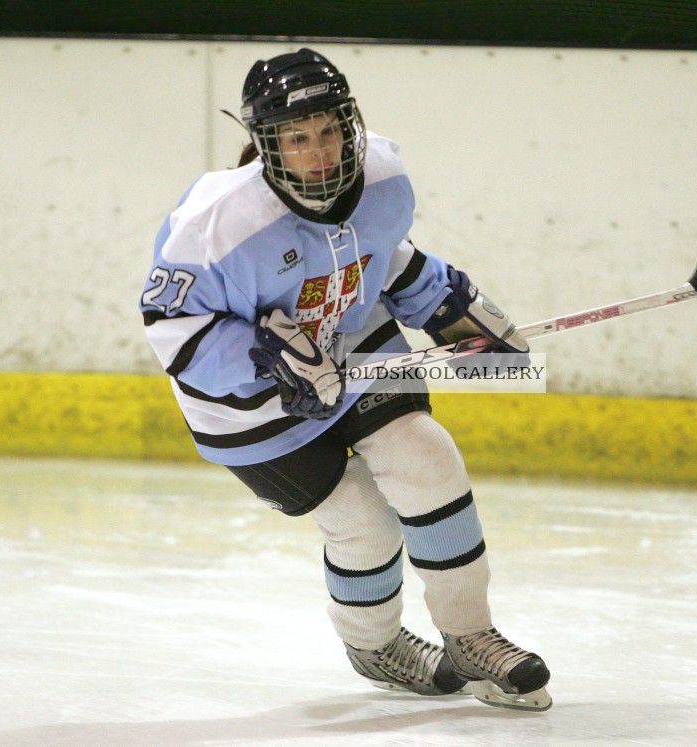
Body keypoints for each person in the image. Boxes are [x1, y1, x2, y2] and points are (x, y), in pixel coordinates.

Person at [139, 48, 551, 711]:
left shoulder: (384, 174)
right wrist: (263, 361)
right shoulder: (216, 223)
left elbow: (382, 256)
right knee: (364, 523)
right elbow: (169, 322)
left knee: (428, 455)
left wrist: (450, 308)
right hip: (247, 407)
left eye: (329, 130)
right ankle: (375, 644)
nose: (320, 152)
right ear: (265, 144)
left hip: (353, 342)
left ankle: (471, 634)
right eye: (297, 139)